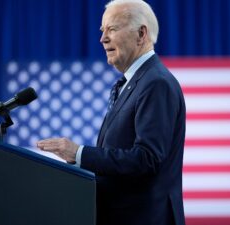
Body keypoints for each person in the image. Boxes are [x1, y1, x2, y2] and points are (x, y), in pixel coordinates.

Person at [37, 0, 186, 224]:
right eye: (102, 30)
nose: (103, 38)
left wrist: (79, 154)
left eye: (112, 29)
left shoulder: (156, 83)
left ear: (141, 34)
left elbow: (147, 158)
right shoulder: (134, 82)